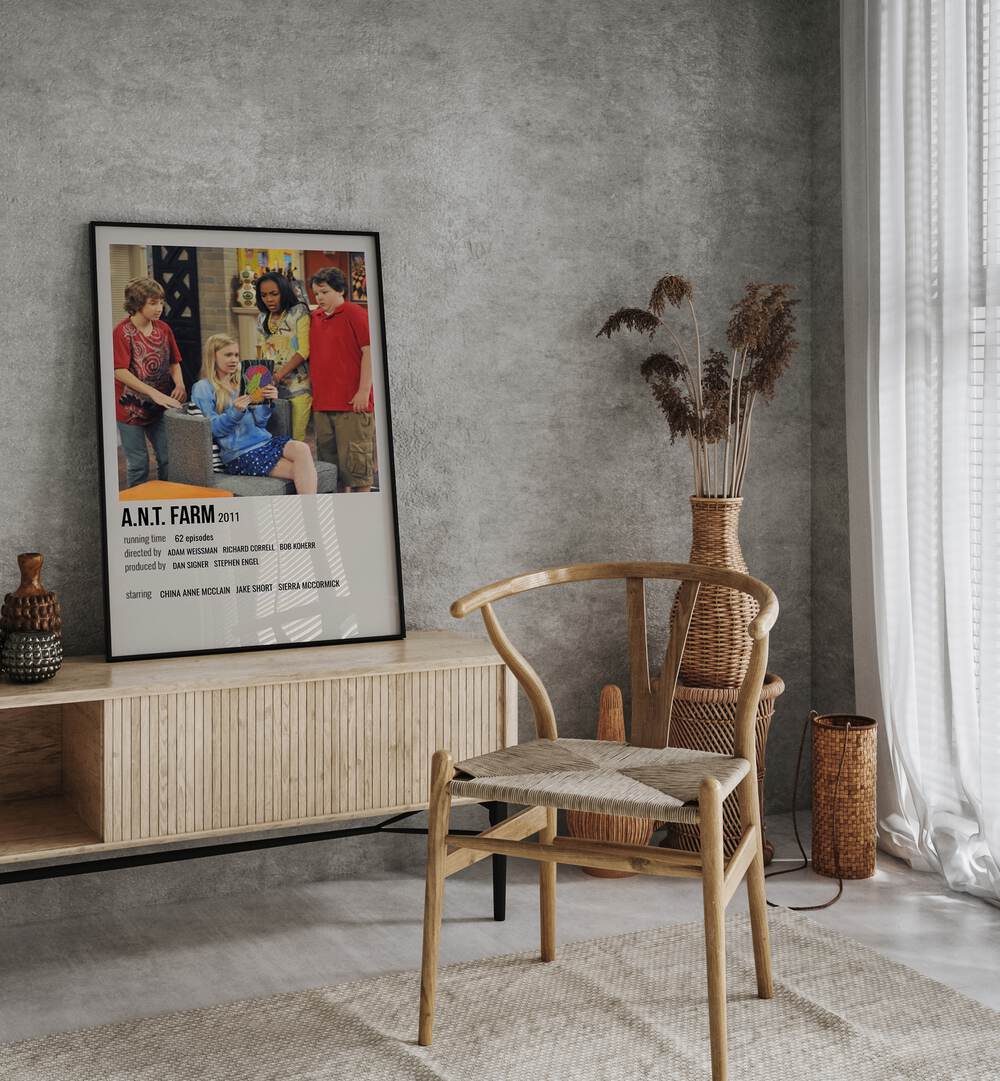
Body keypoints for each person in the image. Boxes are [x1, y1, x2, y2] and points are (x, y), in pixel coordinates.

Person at [191, 334, 317, 495]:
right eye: (228, 355)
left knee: (302, 448)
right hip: (240, 453)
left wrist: (267, 403)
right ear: (212, 357)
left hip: (264, 442)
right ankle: (311, 516)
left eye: (236, 355)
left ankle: (310, 515)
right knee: (302, 472)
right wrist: (235, 412)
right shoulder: (203, 387)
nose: (234, 360)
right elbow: (211, 429)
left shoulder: (241, 383)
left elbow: (260, 423)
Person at [113, 277, 186, 488]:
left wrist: (179, 384)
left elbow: (174, 361)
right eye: (153, 303)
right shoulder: (122, 333)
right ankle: (134, 506)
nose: (159, 308)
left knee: (167, 459)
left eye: (161, 302)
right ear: (137, 304)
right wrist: (153, 393)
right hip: (129, 409)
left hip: (160, 408)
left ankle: (166, 499)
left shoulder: (164, 329)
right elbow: (119, 371)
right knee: (139, 465)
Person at [309, 266, 375, 493]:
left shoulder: (355, 313)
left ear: (339, 291)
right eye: (316, 293)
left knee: (357, 470)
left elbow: (370, 351)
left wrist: (364, 391)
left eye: (325, 292)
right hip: (322, 405)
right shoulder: (315, 317)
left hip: (352, 404)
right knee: (331, 470)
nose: (319, 298)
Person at [254, 272, 312, 442]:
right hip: (270, 388)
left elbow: (304, 350)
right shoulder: (262, 317)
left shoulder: (298, 312)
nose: (269, 299)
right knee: (274, 437)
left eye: (274, 294)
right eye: (264, 295)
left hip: (298, 386)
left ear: (284, 291)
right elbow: (261, 351)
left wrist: (278, 375)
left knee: (296, 440)